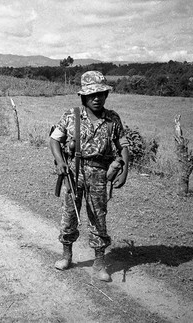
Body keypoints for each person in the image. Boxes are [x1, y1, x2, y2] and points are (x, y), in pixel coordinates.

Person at [49, 70, 130, 282]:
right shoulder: (71, 115)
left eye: (101, 94)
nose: (97, 98)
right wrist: (60, 161)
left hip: (100, 174)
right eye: (92, 95)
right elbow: (54, 139)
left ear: (106, 95)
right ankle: (66, 256)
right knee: (70, 214)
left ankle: (100, 262)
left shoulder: (113, 119)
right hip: (73, 173)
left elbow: (123, 145)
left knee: (98, 217)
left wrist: (125, 170)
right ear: (84, 96)